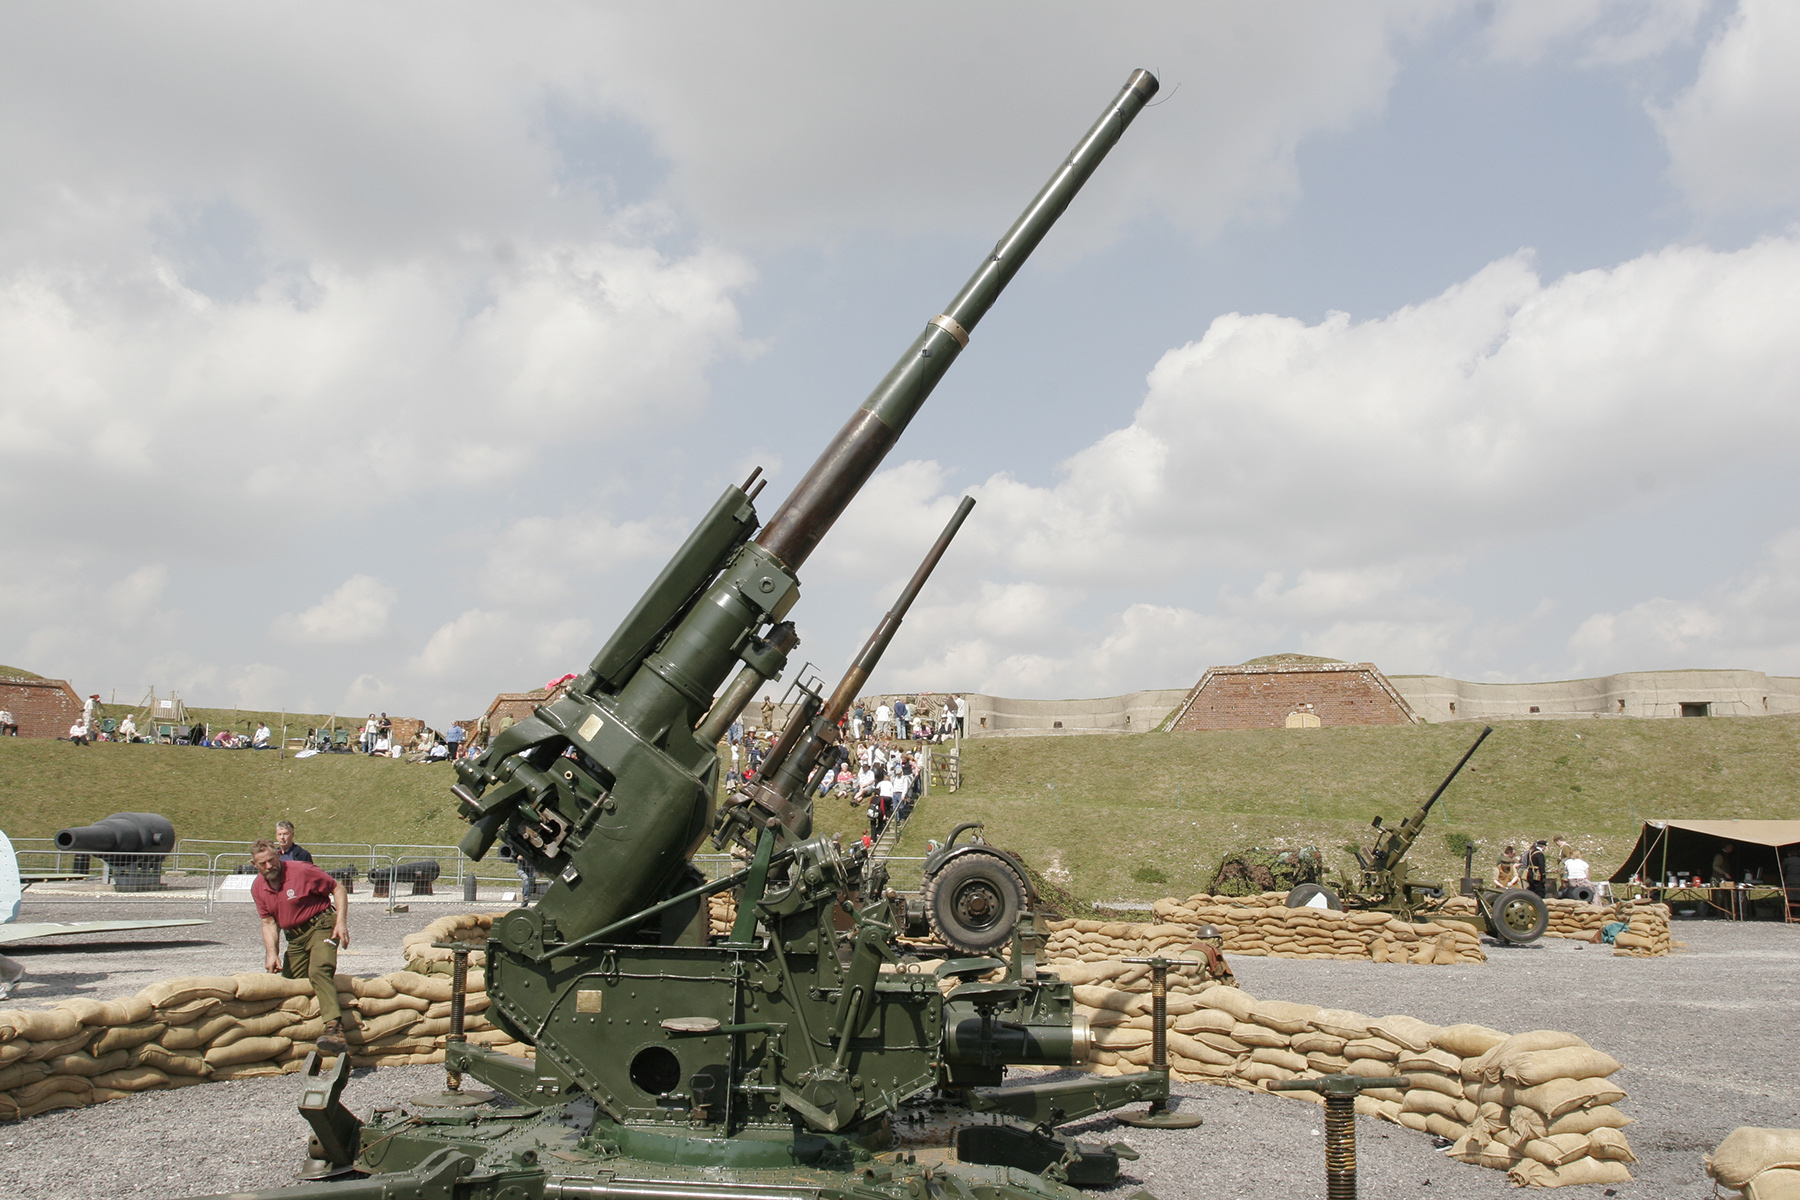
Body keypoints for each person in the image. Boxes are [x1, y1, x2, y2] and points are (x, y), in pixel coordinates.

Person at [250, 838, 348, 1055]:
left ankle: (334, 1028)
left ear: (277, 855)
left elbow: (337, 888)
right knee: (289, 983)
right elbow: (268, 922)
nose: (269, 866)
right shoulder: (258, 887)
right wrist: (272, 954)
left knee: (319, 970)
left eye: (271, 860)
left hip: (321, 925)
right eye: (262, 863)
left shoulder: (301, 870)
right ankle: (294, 1034)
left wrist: (341, 922)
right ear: (254, 864)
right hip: (295, 938)